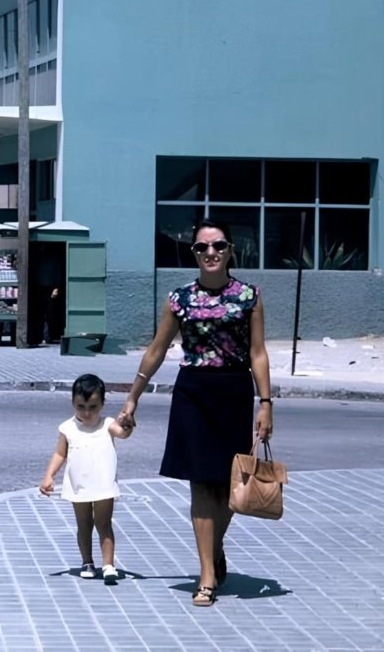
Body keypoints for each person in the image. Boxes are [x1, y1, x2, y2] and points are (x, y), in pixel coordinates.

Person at [116, 219, 274, 608]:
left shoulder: (249, 296)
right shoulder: (180, 299)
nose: (211, 253)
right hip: (194, 394)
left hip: (234, 393)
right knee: (202, 485)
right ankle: (207, 575)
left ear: (231, 249)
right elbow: (156, 349)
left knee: (231, 487)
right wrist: (133, 396)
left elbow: (257, 353)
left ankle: (214, 548)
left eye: (218, 245)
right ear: (193, 254)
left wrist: (266, 402)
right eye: (202, 248)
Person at [39, 374, 134, 582]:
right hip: (78, 484)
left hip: (103, 483)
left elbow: (123, 433)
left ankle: (108, 565)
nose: (87, 412)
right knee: (84, 524)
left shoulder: (108, 425)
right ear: (73, 403)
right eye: (81, 406)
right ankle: (87, 561)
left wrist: (128, 425)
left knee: (104, 523)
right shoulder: (67, 428)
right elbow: (60, 454)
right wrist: (49, 476)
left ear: (102, 404)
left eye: (93, 407)